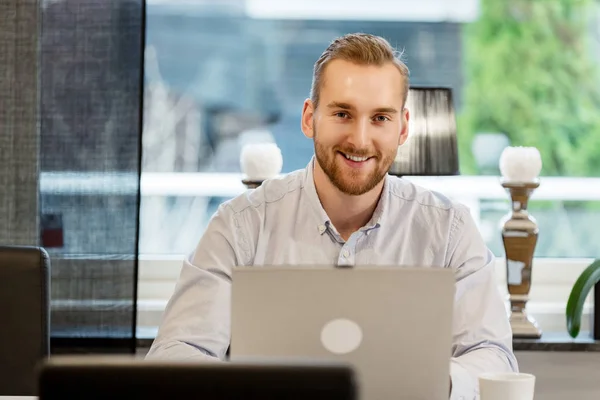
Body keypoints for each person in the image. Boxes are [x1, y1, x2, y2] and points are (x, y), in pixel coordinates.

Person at [146, 33, 518, 399]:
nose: (359, 139)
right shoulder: (242, 225)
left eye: (380, 118)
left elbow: (494, 358)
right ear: (310, 118)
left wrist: (425, 381)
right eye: (342, 113)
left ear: (403, 127)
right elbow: (175, 355)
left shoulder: (449, 230)